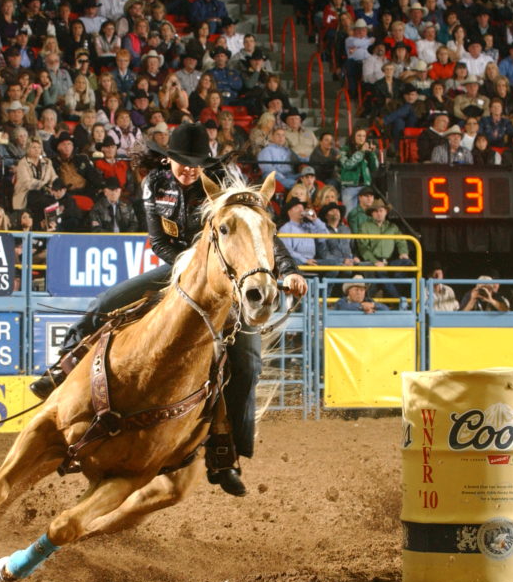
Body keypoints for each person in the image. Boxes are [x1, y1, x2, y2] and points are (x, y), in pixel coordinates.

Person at [28, 123, 308, 497]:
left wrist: (288, 270)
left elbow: (261, 234)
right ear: (168, 159)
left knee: (247, 363)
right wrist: (191, 269)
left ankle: (226, 452)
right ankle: (60, 371)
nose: (188, 169)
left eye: (195, 163)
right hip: (181, 268)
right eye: (181, 161)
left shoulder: (226, 185)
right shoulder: (155, 183)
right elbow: (159, 241)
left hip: (226, 280)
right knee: (104, 304)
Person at [355, 200, 413, 303]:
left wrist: (403, 252)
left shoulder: (393, 227)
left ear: (386, 212)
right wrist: (375, 261)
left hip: (389, 261)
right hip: (373, 261)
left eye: (381, 210)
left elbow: (401, 241)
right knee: (381, 273)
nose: (379, 213)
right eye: (376, 211)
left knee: (406, 263)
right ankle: (398, 301)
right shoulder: (365, 227)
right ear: (372, 213)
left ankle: (396, 299)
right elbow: (363, 247)